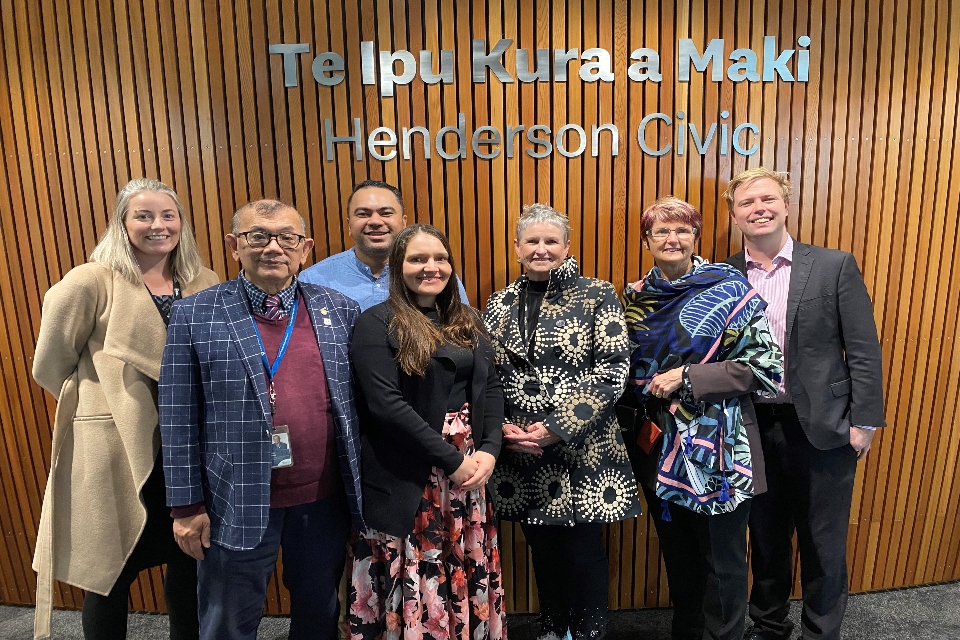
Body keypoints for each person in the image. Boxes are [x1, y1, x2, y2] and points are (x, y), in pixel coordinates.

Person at [159, 199, 363, 640]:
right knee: (228, 618)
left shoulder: (340, 311)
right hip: (233, 498)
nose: (274, 247)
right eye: (258, 236)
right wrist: (186, 508)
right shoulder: (194, 315)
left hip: (322, 499)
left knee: (319, 609)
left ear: (305, 248)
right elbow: (176, 419)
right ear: (234, 246)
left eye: (287, 238)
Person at [31, 178, 219, 640]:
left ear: (181, 224)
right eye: (144, 215)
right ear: (123, 222)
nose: (158, 225)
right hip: (118, 448)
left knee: (189, 562)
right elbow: (50, 364)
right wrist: (100, 409)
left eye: (168, 215)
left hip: (188, 448)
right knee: (109, 574)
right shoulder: (91, 280)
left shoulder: (204, 281)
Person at [723, 169, 885, 640]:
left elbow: (863, 349)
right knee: (766, 538)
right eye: (747, 203)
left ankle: (821, 632)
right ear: (735, 216)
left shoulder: (833, 266)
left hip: (823, 426)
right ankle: (770, 626)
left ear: (787, 206)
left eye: (767, 199)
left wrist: (865, 422)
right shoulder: (722, 274)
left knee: (823, 543)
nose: (759, 208)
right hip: (749, 425)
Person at [621, 197, 783, 640]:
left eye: (683, 230)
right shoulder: (635, 298)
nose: (672, 239)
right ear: (646, 240)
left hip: (721, 448)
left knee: (721, 560)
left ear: (696, 237)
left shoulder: (728, 286)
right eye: (661, 232)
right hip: (659, 447)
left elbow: (764, 367)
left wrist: (687, 376)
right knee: (678, 555)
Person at [482, 204, 640, 640]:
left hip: (581, 448)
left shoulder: (597, 294)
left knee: (583, 550)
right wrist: (502, 431)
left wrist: (560, 425)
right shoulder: (499, 303)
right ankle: (553, 627)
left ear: (566, 246)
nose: (541, 249)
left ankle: (589, 632)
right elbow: (487, 376)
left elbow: (612, 371)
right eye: (531, 241)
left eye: (551, 241)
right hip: (524, 451)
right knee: (541, 547)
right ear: (516, 248)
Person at [347, 224, 506, 640]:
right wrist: (451, 460)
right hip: (412, 471)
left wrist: (489, 449)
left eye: (439, 258)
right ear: (398, 267)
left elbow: (490, 386)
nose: (430, 267)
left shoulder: (467, 319)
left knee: (463, 564)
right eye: (417, 259)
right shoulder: (376, 323)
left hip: (471, 470)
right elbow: (386, 406)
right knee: (418, 568)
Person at [299, 180, 469, 309]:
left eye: (386, 213)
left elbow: (462, 328)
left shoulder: (434, 275)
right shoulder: (314, 280)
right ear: (350, 225)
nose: (374, 221)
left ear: (404, 223)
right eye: (363, 214)